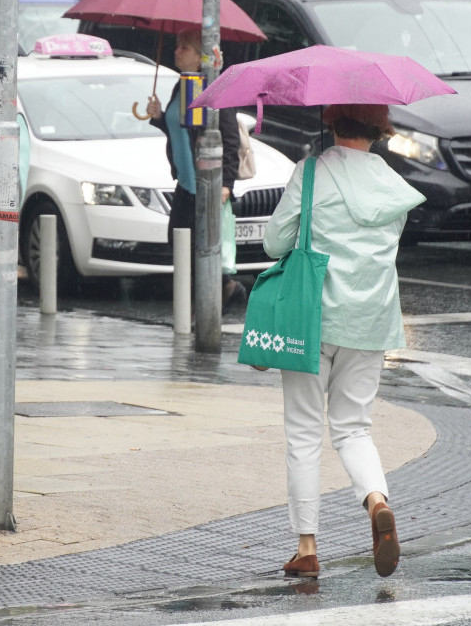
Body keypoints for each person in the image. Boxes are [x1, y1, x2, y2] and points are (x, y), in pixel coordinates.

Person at [263, 103, 424, 580]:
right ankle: (377, 501)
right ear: (379, 132)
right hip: (372, 321)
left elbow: (275, 243)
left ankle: (307, 547)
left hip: (313, 318)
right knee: (354, 427)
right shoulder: (394, 186)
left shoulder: (311, 173)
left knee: (305, 432)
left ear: (331, 124)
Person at [145, 29, 247, 310]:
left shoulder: (214, 88)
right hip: (185, 182)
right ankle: (214, 295)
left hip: (206, 184)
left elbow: (228, 139)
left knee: (199, 247)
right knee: (178, 241)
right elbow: (181, 130)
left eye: (183, 47)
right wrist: (159, 117)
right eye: (177, 45)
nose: (176, 51)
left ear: (199, 56)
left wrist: (226, 183)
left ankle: (206, 304)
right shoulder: (183, 85)